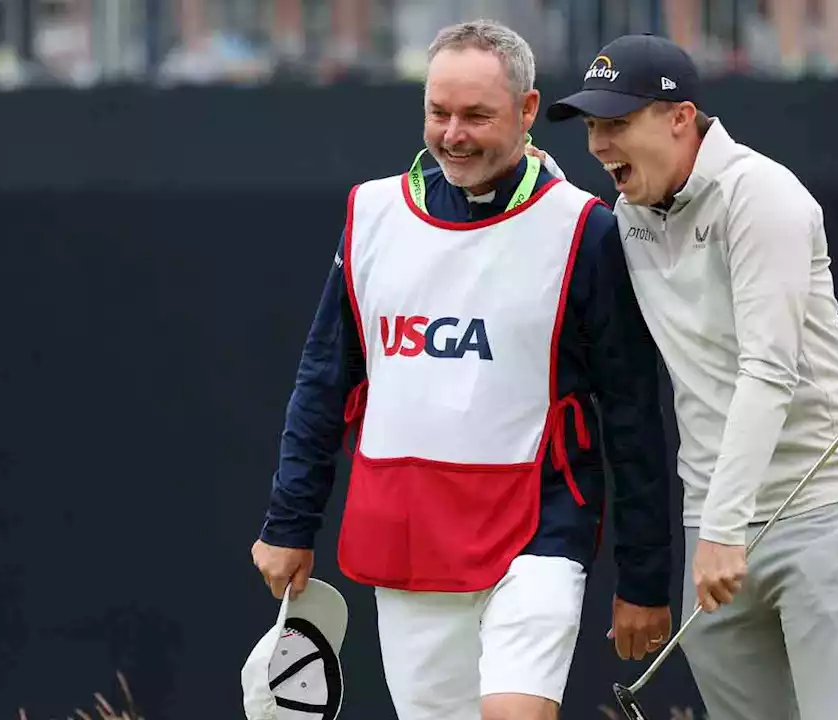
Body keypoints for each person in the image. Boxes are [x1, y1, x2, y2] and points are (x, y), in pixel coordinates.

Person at [250, 20, 674, 720]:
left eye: (478, 115)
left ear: (529, 111)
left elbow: (631, 412)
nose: (453, 134)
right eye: (438, 113)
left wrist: (645, 578)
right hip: (410, 533)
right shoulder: (372, 216)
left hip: (540, 529)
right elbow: (325, 381)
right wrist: (289, 522)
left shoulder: (584, 229)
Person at [544, 33, 838, 720]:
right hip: (714, 525)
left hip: (821, 509)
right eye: (590, 128)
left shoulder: (762, 196)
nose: (597, 145)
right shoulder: (632, 211)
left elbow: (769, 370)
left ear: (680, 117)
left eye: (615, 124)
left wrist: (722, 529)